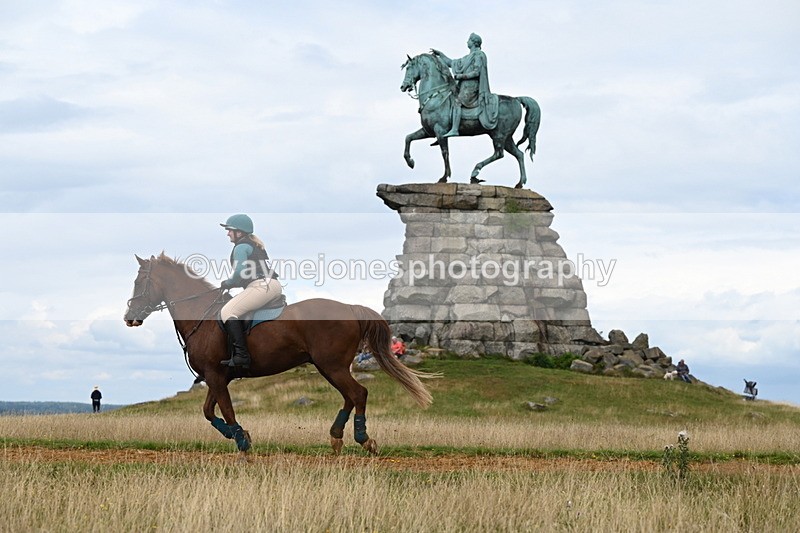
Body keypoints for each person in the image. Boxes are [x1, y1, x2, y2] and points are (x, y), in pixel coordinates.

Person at [218, 214, 282, 368]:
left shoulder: (241, 247)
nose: (227, 233)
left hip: (260, 286)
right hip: (271, 285)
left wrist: (228, 283)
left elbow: (240, 272)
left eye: (230, 230)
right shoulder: (253, 245)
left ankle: (242, 356)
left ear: (239, 232)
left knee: (227, 312)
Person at [431, 33, 498, 137]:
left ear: (474, 42)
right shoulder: (467, 57)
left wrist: (461, 76)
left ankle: (454, 129)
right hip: (463, 86)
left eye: (469, 40)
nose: (467, 42)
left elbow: (477, 72)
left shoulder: (479, 55)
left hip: (472, 87)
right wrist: (441, 55)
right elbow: (451, 62)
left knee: (457, 102)